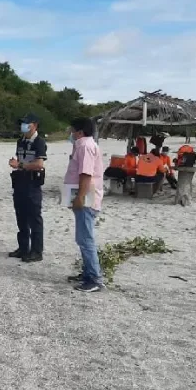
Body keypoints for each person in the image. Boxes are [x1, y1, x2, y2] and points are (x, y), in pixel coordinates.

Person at [64, 117, 105, 292]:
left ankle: (95, 279)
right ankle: (88, 273)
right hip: (84, 196)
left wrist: (80, 197)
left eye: (72, 130)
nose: (71, 134)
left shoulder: (85, 147)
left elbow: (86, 174)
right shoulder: (82, 146)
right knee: (82, 237)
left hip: (87, 199)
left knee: (86, 238)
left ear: (79, 132)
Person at [8, 113, 47, 263]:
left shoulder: (39, 142)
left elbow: (39, 164)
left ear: (35, 125)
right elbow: (20, 159)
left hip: (32, 183)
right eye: (22, 123)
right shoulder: (21, 141)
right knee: (21, 217)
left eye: (26, 123)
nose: (23, 126)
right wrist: (16, 163)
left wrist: (20, 165)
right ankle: (23, 248)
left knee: (34, 218)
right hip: (20, 181)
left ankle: (36, 251)